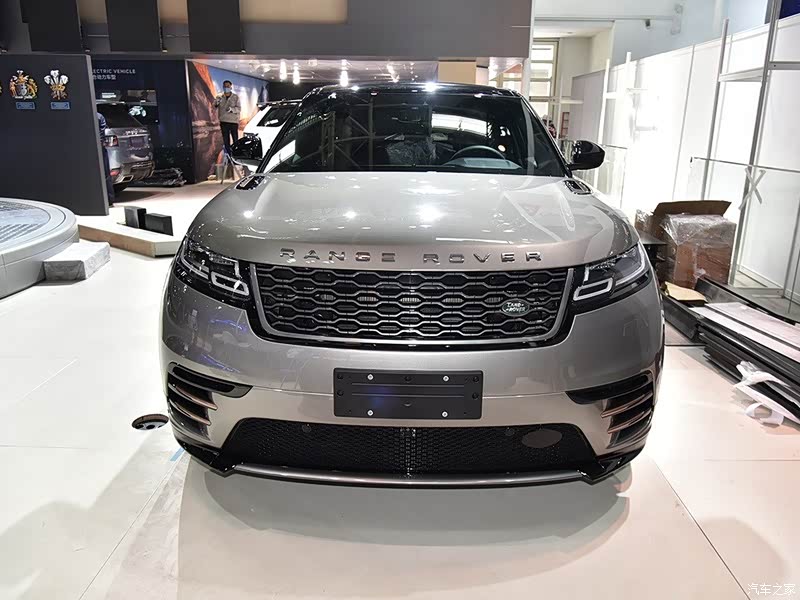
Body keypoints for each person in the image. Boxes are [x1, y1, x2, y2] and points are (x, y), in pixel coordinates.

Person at [214, 80, 241, 154]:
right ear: (223, 87)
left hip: (233, 122)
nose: (226, 88)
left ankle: (236, 154)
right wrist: (217, 102)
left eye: (228, 86)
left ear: (231, 87)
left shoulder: (235, 97)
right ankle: (229, 155)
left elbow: (239, 109)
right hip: (224, 121)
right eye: (225, 86)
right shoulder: (219, 96)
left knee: (235, 140)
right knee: (226, 140)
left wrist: (231, 109)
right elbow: (214, 106)